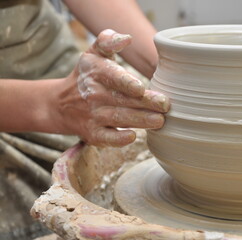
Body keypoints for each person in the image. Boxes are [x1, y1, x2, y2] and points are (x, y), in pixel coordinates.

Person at [0, 0, 170, 147]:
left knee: (142, 95)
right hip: (13, 109)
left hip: (51, 54)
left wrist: (164, 66)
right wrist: (56, 107)